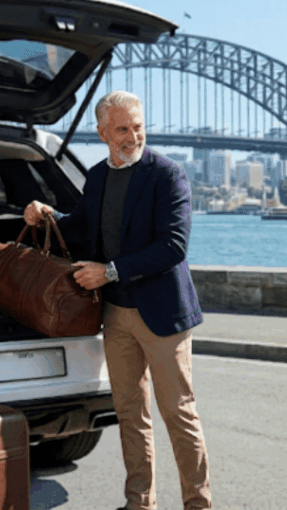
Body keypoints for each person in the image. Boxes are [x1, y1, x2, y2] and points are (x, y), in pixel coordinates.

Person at [24, 90, 211, 510]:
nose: (132, 137)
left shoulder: (167, 174)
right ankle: (139, 502)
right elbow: (80, 231)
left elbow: (174, 246)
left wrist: (109, 272)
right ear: (103, 132)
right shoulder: (96, 177)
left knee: (179, 416)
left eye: (138, 127)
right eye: (122, 129)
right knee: (130, 414)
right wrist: (46, 215)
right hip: (115, 314)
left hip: (162, 315)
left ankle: (199, 505)